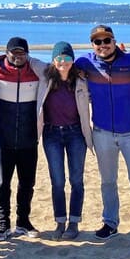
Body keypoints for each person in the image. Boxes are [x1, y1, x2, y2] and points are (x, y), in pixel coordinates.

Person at [74, 25, 130, 247]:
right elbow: (59, 71)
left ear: (114, 41)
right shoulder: (85, 63)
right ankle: (110, 223)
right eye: (97, 42)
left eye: (106, 41)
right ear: (92, 45)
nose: (102, 45)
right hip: (102, 133)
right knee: (108, 182)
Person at [38, 42, 93, 240]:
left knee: (76, 179)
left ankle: (74, 222)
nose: (63, 62)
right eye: (59, 58)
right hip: (51, 134)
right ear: (53, 60)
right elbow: (26, 60)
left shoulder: (80, 80)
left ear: (73, 60)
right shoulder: (45, 78)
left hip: (76, 134)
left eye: (68, 58)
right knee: (58, 181)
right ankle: (60, 221)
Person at [0, 37, 43, 240]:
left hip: (29, 140)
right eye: (15, 53)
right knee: (2, 185)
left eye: (22, 53)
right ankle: (3, 224)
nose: (18, 57)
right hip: (2, 140)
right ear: (7, 52)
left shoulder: (37, 73)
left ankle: (23, 222)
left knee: (27, 183)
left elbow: (56, 70)